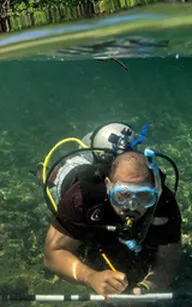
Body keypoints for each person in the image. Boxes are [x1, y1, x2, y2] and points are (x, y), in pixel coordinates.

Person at [42, 123, 182, 296]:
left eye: (144, 196)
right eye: (122, 195)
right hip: (74, 185)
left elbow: (169, 260)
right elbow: (52, 254)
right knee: (53, 181)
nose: (132, 205)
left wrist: (147, 289)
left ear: (155, 191)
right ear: (108, 186)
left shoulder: (164, 201)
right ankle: (45, 172)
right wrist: (90, 277)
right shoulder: (82, 196)